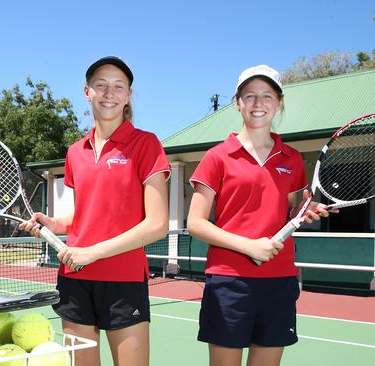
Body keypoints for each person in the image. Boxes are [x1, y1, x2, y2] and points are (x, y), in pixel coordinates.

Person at [18, 56, 170, 366]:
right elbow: (86, 213)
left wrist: (93, 252)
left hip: (123, 279)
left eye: (118, 87)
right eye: (101, 86)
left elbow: (157, 224)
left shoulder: (146, 144)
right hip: (75, 279)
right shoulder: (76, 151)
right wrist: (53, 222)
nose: (109, 93)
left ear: (128, 95)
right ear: (87, 92)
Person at [187, 64, 332, 366]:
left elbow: (296, 204)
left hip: (278, 281)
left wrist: (307, 208)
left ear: (278, 103)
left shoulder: (292, 159)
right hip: (229, 282)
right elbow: (196, 224)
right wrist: (249, 246)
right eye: (250, 96)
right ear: (237, 102)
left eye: (267, 96)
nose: (258, 103)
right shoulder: (217, 156)